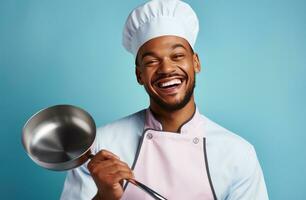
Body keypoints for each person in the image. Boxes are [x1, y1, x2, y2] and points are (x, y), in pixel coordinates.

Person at [60, 0, 269, 199]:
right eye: (151, 61)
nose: (167, 69)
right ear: (139, 75)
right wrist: (104, 198)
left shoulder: (237, 154)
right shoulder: (100, 149)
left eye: (177, 56)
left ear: (195, 62)